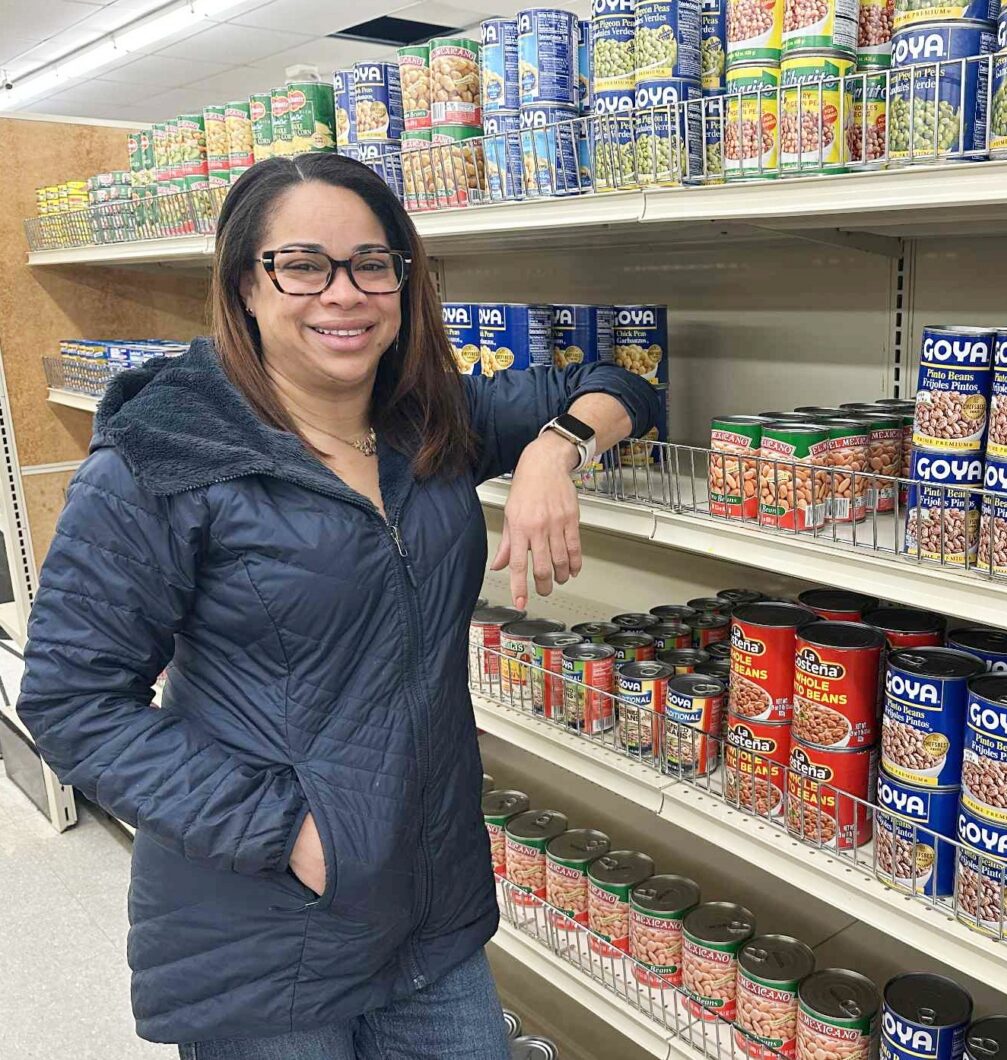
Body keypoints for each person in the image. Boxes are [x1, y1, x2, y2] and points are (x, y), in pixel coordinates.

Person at [18, 153, 660, 1059]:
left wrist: (555, 449)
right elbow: (70, 702)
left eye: (372, 263)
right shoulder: (163, 458)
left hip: (432, 906)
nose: (344, 294)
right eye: (304, 264)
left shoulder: (428, 419)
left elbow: (622, 383)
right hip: (268, 921)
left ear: (405, 279)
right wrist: (286, 831)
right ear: (247, 283)